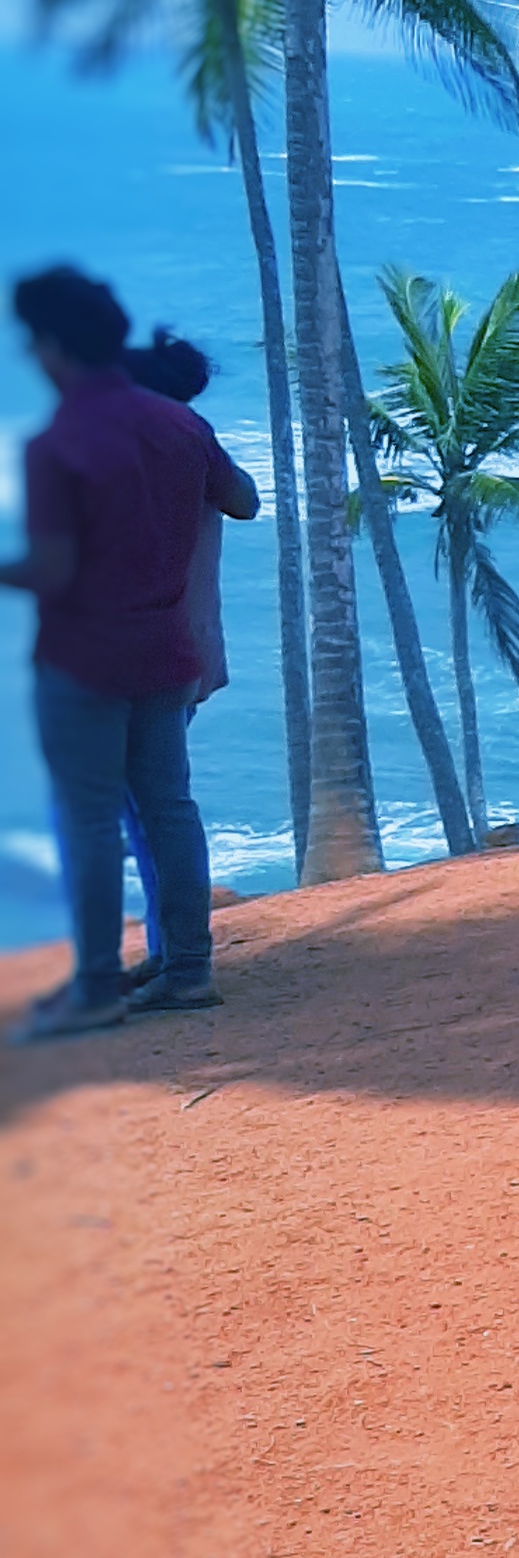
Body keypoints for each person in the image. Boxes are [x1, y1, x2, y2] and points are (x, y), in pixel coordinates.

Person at [2, 266, 259, 1043]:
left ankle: (95, 986)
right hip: (167, 645)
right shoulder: (184, 428)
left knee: (90, 821)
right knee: (169, 808)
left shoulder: (61, 442)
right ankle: (188, 967)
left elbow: (52, 569)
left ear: (56, 348)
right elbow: (241, 500)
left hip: (87, 654)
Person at [117, 330, 231, 986]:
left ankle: (185, 963)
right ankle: (170, 952)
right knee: (150, 806)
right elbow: (244, 500)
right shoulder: (190, 443)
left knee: (158, 806)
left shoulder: (153, 445)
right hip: (180, 649)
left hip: (143, 654)